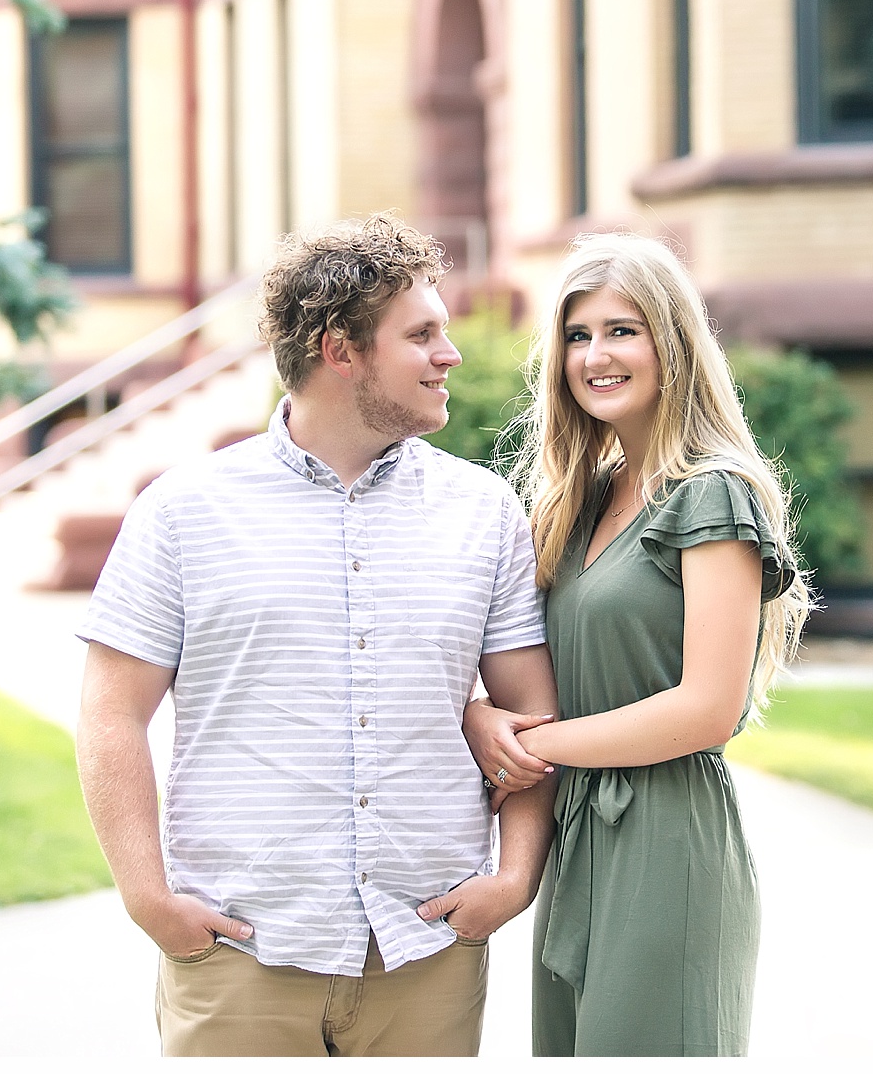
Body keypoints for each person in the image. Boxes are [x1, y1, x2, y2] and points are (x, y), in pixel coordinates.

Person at [74, 213, 557, 1057]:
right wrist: (148, 900)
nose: (451, 354)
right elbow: (112, 715)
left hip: (427, 955)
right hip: (241, 953)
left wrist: (514, 881)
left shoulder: (486, 514)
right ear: (341, 349)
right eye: (423, 335)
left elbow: (533, 722)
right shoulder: (182, 513)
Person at [463, 232, 812, 1056]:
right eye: (578, 336)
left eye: (623, 330)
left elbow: (707, 709)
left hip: (666, 841)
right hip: (578, 836)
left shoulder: (712, 495)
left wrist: (530, 743)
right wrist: (484, 718)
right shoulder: (578, 501)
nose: (596, 356)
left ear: (674, 344)